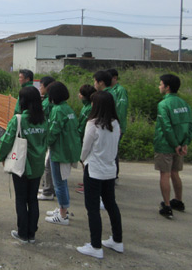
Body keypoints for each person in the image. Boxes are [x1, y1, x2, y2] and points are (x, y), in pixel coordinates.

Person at [76, 91, 123, 259]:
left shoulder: (93, 124)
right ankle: (117, 240)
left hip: (94, 170)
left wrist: (81, 160)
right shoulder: (115, 123)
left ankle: (95, 246)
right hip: (110, 171)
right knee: (111, 204)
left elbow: (86, 147)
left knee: (93, 208)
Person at [0, 86, 47, 243]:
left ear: (23, 101)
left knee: (21, 198)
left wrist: (1, 156)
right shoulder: (44, 120)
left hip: (21, 164)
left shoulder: (18, 119)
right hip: (38, 164)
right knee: (33, 199)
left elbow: (7, 140)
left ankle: (22, 233)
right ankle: (32, 233)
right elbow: (47, 140)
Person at [154, 74, 192, 219]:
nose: (159, 86)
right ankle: (178, 200)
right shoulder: (184, 104)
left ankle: (167, 206)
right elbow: (189, 125)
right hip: (181, 144)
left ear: (167, 87)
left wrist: (174, 144)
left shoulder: (163, 104)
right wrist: (184, 143)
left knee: (165, 174)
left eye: (161, 84)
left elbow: (166, 126)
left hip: (166, 145)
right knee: (175, 173)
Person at [44, 81, 81, 226]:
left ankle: (63, 215)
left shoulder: (57, 110)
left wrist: (44, 143)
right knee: (62, 181)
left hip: (59, 151)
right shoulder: (67, 108)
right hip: (67, 149)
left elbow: (53, 131)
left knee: (59, 183)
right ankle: (61, 208)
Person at [106, 69, 129, 180]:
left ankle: (114, 175)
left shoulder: (120, 90)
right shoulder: (109, 90)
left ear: (115, 78)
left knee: (113, 150)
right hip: (110, 125)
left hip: (116, 126)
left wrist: (118, 125)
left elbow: (121, 110)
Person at [75, 84, 97, 194]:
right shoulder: (85, 106)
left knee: (85, 161)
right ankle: (85, 181)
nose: (79, 95)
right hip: (81, 135)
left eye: (81, 93)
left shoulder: (89, 108)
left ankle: (88, 184)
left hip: (84, 136)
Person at [38, 76, 56, 201]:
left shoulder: (47, 103)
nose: (40, 88)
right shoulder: (50, 101)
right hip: (48, 135)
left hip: (48, 136)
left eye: (41, 86)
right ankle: (48, 187)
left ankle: (48, 190)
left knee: (48, 165)